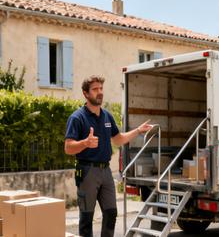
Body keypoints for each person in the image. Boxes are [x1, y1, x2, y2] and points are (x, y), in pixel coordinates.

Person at [65, 75, 153, 237]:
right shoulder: (77, 118)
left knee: (111, 213)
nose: (100, 92)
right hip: (87, 171)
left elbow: (118, 139)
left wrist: (138, 131)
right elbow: (68, 148)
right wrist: (85, 143)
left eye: (101, 89)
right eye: (95, 89)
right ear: (85, 93)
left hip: (106, 172)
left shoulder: (107, 116)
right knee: (86, 218)